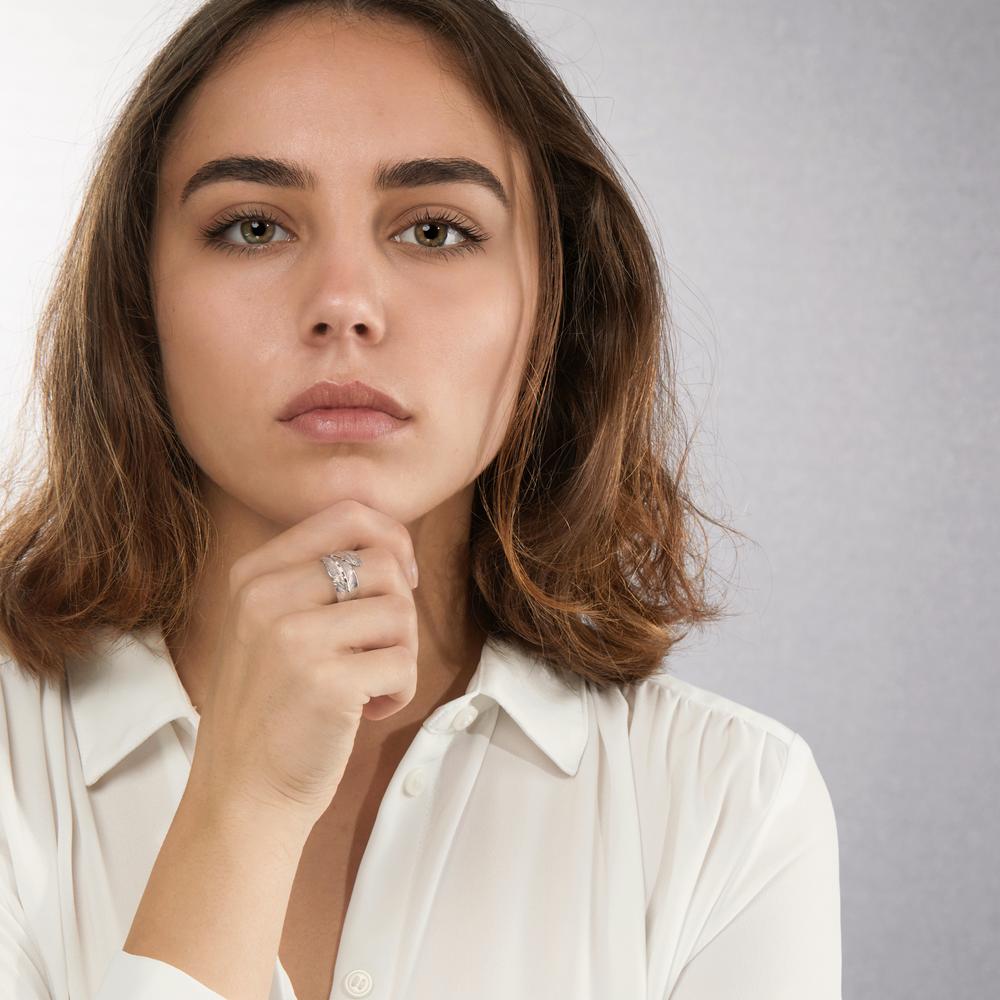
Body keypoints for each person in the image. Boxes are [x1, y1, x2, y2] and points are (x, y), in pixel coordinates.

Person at [0, 1, 842, 998]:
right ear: (138, 304)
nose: (345, 302)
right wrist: (244, 806)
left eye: (436, 230)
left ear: (551, 309)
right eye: (254, 226)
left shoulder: (726, 805)